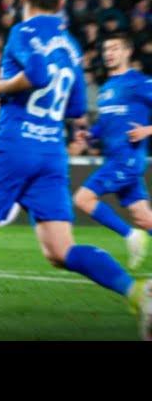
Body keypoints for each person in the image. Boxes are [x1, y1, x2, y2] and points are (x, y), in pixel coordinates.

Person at [0, 0, 152, 341]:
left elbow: (38, 74)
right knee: (60, 251)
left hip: (16, 147)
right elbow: (77, 107)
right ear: (61, 1)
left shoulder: (23, 30)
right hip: (52, 153)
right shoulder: (70, 44)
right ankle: (136, 292)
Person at [73, 33, 152, 270]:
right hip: (116, 158)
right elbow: (107, 124)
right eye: (106, 49)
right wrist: (91, 135)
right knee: (144, 217)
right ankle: (137, 231)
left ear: (127, 52)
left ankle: (130, 236)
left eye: (115, 48)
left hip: (126, 160)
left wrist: (148, 129)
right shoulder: (106, 88)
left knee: (82, 198)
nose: (109, 53)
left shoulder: (139, 82)